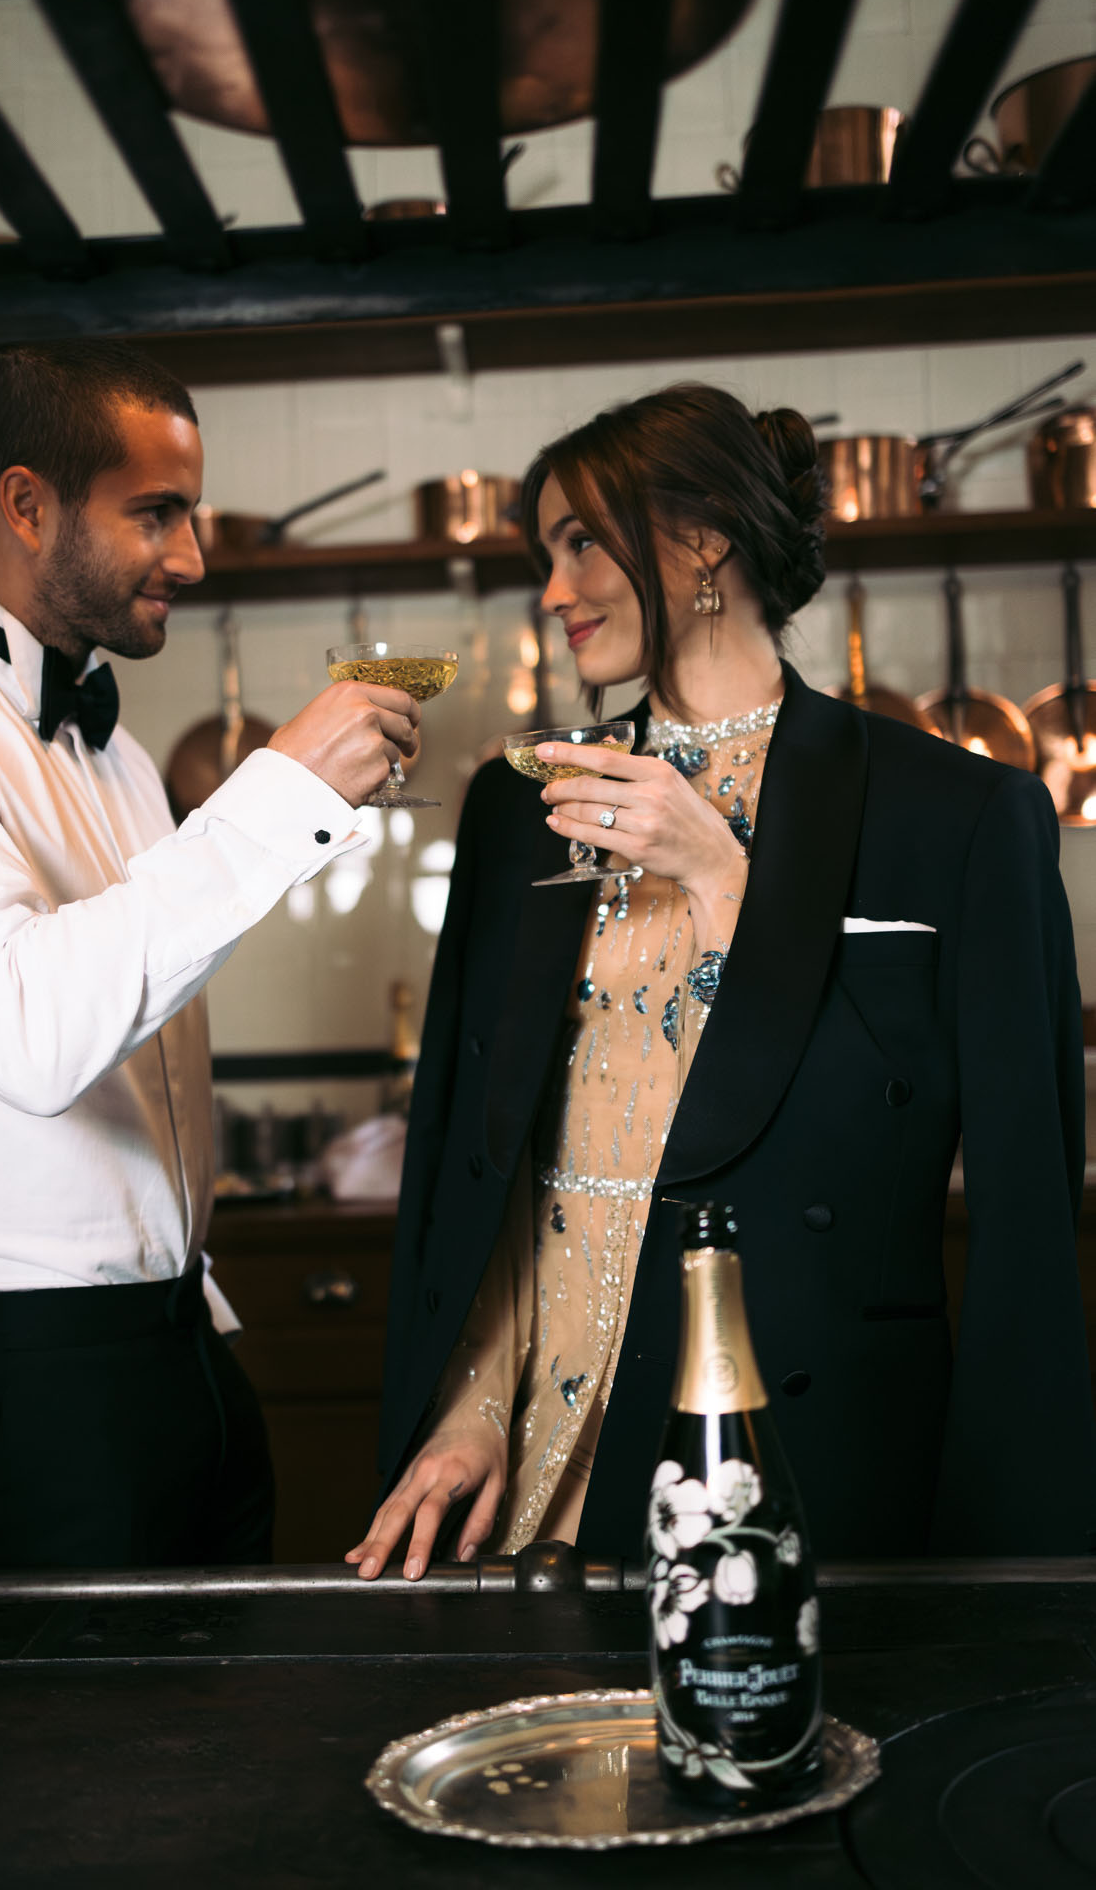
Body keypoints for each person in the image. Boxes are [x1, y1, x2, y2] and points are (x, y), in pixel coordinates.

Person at [351, 381, 1096, 1582]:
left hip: (794, 1447)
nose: (552, 590)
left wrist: (723, 878)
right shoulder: (522, 807)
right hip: (530, 1450)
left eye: (581, 542)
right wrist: (474, 1401)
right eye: (546, 553)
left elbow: (1009, 1212)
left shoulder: (958, 814)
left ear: (703, 539)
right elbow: (480, 1160)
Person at [0, 340, 419, 1571]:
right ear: (27, 504)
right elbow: (31, 1031)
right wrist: (280, 793)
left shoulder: (116, 751)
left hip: (179, 1350)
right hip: (15, 1388)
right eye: (156, 513)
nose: (192, 556)